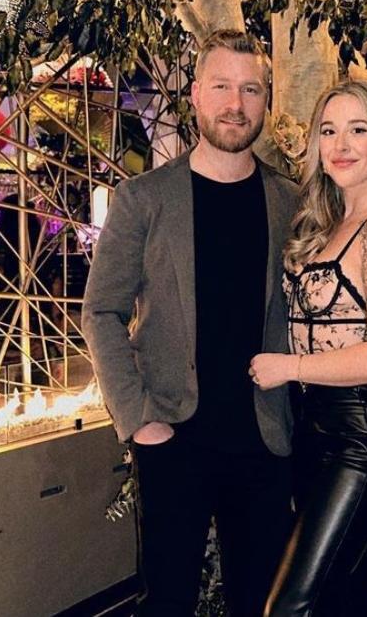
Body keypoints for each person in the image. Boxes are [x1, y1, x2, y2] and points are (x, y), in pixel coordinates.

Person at [82, 30, 299, 617]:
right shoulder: (144, 199)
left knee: (263, 605)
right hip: (174, 436)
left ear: (265, 99)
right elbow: (101, 310)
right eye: (223, 87)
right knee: (168, 603)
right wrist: (139, 421)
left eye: (250, 89)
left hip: (265, 440)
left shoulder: (291, 203)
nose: (236, 103)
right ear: (197, 95)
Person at [251, 80, 367, 616]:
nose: (340, 144)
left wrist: (289, 367)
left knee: (290, 606)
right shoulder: (328, 222)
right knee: (341, 598)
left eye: (358, 130)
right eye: (329, 130)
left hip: (360, 439)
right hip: (314, 429)